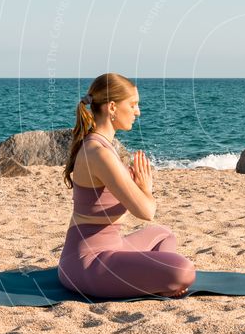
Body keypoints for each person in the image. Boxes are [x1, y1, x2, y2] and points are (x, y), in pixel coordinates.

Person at [58, 73, 196, 299]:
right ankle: (162, 280)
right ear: (112, 107)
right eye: (132, 104)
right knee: (183, 270)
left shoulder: (104, 146)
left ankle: (157, 278)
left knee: (164, 235)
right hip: (88, 263)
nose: (138, 111)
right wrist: (146, 189)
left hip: (113, 247)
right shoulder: (99, 153)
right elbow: (146, 211)